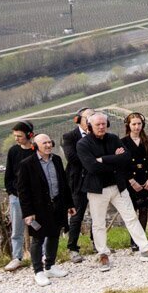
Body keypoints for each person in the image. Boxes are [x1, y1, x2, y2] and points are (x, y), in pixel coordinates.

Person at [77, 111, 148, 264]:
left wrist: (103, 159)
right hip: (97, 189)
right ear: (90, 126)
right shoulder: (83, 144)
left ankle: (145, 248)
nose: (101, 127)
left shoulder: (113, 138)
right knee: (98, 223)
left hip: (118, 186)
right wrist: (115, 161)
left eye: (103, 124)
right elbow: (92, 167)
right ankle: (103, 254)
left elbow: (126, 158)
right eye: (98, 124)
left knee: (131, 217)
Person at [14, 133, 73, 285]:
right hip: (38, 208)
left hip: (57, 204)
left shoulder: (57, 160)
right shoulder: (27, 164)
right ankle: (38, 271)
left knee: (54, 235)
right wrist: (28, 213)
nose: (48, 145)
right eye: (44, 143)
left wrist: (69, 204)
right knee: (38, 239)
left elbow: (64, 183)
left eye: (49, 142)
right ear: (36, 146)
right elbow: (23, 191)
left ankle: (50, 266)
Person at [1, 121, 35, 270]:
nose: (16, 139)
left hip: (34, 196)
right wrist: (11, 192)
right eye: (15, 136)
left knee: (38, 227)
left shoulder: (36, 150)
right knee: (17, 229)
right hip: (16, 196)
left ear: (29, 135)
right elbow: (9, 174)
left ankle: (41, 254)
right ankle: (17, 257)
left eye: (19, 136)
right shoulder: (13, 151)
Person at [120, 111, 148, 231]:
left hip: (146, 178)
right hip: (131, 180)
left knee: (144, 209)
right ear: (128, 125)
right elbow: (122, 164)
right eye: (134, 124)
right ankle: (134, 239)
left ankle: (142, 238)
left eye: (139, 124)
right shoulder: (122, 142)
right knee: (132, 211)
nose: (137, 127)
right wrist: (132, 181)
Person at [62, 107, 92, 256]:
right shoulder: (69, 137)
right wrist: (93, 160)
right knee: (77, 215)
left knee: (97, 215)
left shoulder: (98, 135)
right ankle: (72, 247)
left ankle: (97, 243)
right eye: (88, 118)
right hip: (78, 182)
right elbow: (72, 157)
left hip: (95, 180)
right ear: (79, 120)